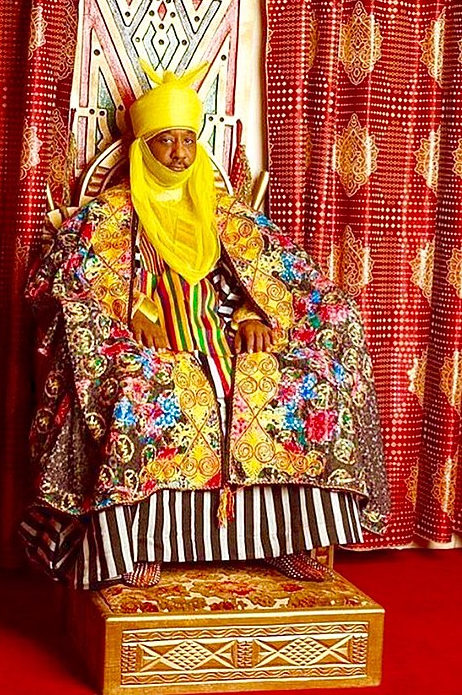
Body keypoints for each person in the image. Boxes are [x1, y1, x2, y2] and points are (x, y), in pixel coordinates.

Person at [20, 62, 389, 589]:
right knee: (146, 389)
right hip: (151, 347)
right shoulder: (107, 216)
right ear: (142, 147)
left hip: (222, 340)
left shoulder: (224, 214)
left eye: (187, 140)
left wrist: (251, 313)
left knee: (306, 383)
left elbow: (272, 275)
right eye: (165, 141)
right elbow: (64, 286)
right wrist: (132, 310)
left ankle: (288, 539)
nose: (178, 152)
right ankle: (140, 543)